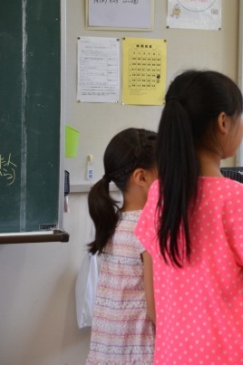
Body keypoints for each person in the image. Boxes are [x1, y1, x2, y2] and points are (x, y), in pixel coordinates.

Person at [135, 69, 243, 364]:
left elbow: (152, 303)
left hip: (172, 354)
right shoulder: (237, 199)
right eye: (239, 117)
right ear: (224, 122)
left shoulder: (159, 194)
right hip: (231, 354)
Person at [86, 128, 157, 364]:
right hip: (139, 352)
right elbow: (155, 309)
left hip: (107, 350)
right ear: (142, 177)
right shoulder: (148, 229)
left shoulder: (114, 222)